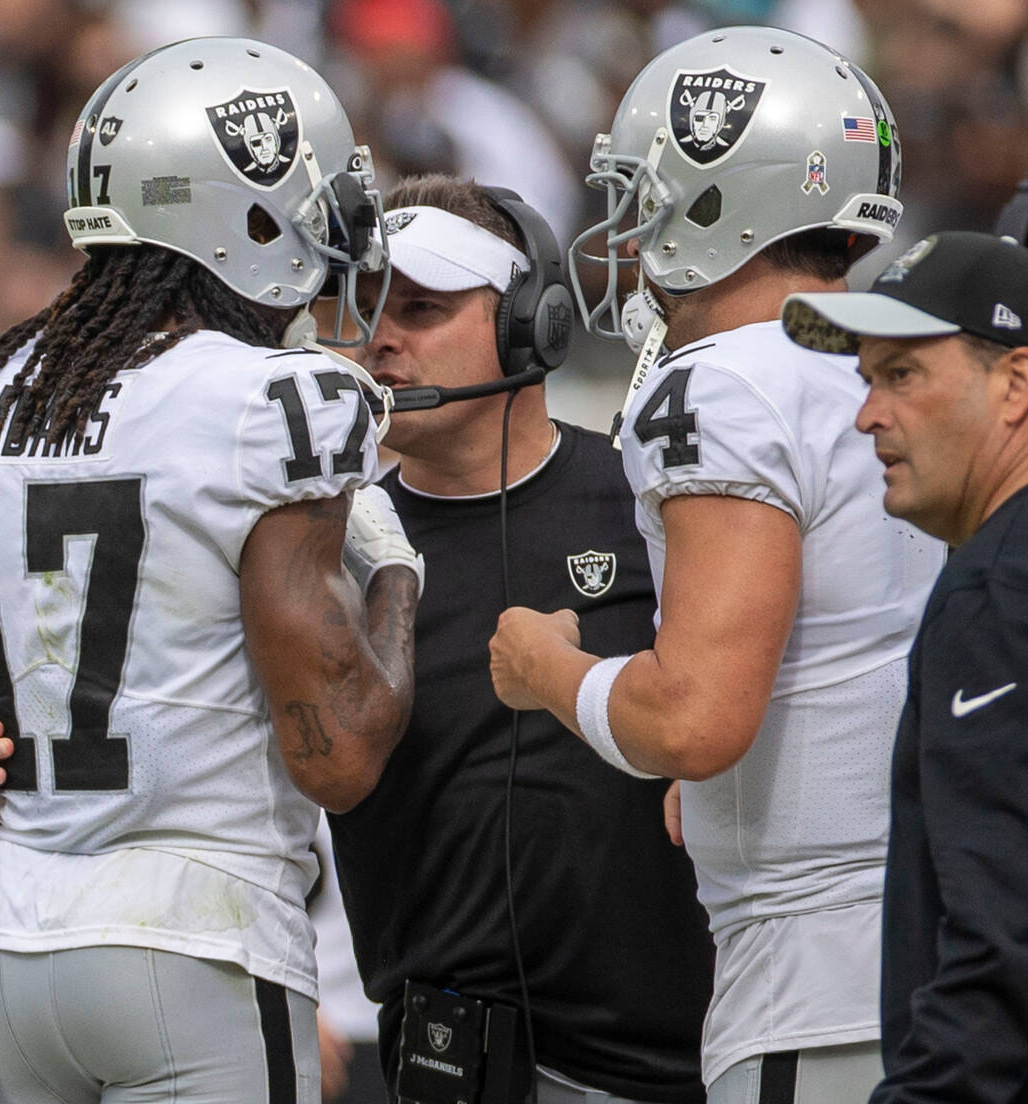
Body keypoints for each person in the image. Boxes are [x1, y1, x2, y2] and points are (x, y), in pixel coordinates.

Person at [0, 174, 717, 1104]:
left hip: (677, 1059)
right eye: (365, 308)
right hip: (438, 1062)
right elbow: (182, 731)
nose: (383, 339)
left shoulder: (651, 499)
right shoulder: (310, 539)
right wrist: (3, 745)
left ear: (534, 324)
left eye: (426, 308)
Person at [0, 36, 419, 1104]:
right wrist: (394, 575)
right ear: (244, 219)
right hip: (197, 939)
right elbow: (338, 754)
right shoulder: (270, 401)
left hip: (7, 943)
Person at [488, 26, 946, 1104]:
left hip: (820, 978)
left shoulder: (725, 384)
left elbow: (692, 720)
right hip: (934, 938)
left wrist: (544, 666)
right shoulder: (909, 357)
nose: (631, 229)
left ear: (713, 199)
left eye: (648, 192)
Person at [780, 230, 1028, 1103]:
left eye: (903, 376)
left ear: (1016, 385)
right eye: (868, 380)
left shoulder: (996, 588)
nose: (866, 415)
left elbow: (1001, 944)